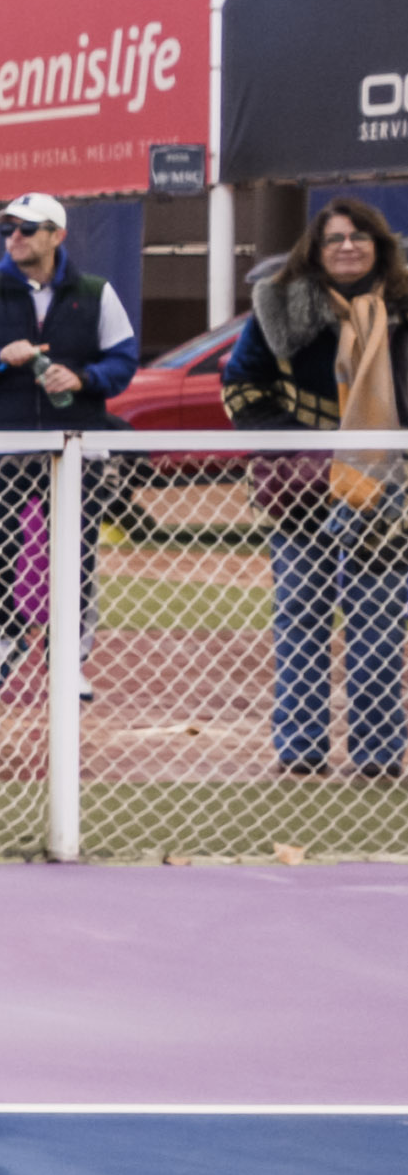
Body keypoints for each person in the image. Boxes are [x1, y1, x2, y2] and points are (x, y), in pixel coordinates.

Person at [227, 198, 408, 778]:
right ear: (315, 248)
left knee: (380, 622)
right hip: (303, 488)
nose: (347, 246)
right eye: (334, 239)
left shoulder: (404, 309)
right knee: (300, 614)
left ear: (380, 245)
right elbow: (240, 388)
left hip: (389, 487)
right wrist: (299, 449)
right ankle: (300, 748)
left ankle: (379, 753)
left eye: (359, 236)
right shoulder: (276, 306)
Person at [0, 194, 135, 701]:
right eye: (9, 228)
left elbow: (123, 364)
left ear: (57, 235)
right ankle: (0, 639)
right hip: (1, 445)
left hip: (75, 446)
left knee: (74, 554)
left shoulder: (96, 293)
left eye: (28, 228)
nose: (15, 237)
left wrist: (84, 377)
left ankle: (68, 657)